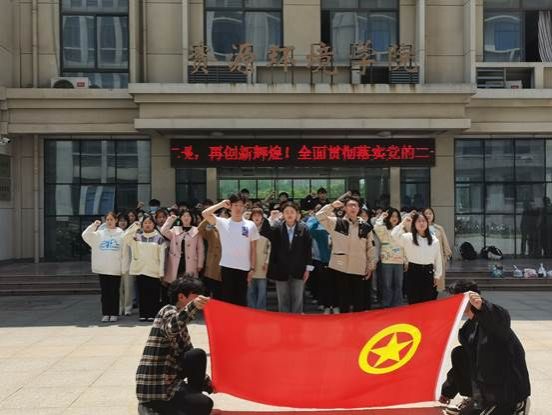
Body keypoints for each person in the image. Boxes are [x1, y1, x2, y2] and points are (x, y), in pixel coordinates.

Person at [440, 281, 530, 415]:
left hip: (507, 388)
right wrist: (446, 392)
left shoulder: (492, 320)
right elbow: (463, 365)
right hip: (487, 388)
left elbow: (502, 318)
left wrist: (482, 305)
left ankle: (517, 404)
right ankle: (475, 398)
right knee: (460, 354)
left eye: (454, 300)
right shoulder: (467, 329)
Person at [136, 277, 214, 415]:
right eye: (195, 296)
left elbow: (191, 359)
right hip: (155, 388)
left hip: (170, 382)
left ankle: (181, 402)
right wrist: (193, 306)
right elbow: (172, 326)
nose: (199, 299)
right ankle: (150, 407)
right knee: (204, 405)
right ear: (181, 297)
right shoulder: (167, 311)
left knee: (196, 355)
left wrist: (210, 384)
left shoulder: (182, 328)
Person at [316, 195, 378, 313]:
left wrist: (371, 265)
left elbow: (370, 247)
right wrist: (332, 206)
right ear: (344, 208)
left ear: (359, 208)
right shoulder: (336, 223)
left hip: (358, 267)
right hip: (340, 267)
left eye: (355, 205)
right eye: (350, 205)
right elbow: (319, 216)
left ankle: (357, 323)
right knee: (343, 301)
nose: (353, 208)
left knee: (358, 301)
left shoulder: (366, 227)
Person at [202, 193, 259, 306]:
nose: (238, 208)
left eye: (241, 205)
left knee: (241, 300)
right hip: (227, 267)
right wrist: (221, 204)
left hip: (244, 268)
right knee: (227, 299)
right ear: (230, 207)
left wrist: (252, 268)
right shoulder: (222, 222)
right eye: (235, 205)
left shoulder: (250, 225)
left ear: (244, 207)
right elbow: (205, 213)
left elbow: (253, 249)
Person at [260, 203, 313, 313]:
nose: (289, 214)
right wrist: (271, 219)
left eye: (292, 212)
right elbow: (264, 232)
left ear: (297, 214)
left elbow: (308, 250)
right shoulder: (277, 228)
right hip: (281, 269)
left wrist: (308, 269)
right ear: (283, 214)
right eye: (286, 212)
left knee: (297, 299)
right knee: (282, 299)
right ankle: (284, 321)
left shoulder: (304, 228)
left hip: (298, 269)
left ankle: (296, 321)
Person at [391, 211, 442, 304]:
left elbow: (438, 258)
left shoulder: (434, 240)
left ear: (427, 223)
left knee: (428, 302)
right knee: (414, 301)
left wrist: (437, 275)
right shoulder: (408, 237)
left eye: (424, 221)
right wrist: (403, 223)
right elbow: (394, 235)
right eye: (418, 221)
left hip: (428, 272)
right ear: (414, 223)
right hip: (413, 271)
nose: (421, 223)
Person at [82, 212, 124, 323]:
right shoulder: (100, 233)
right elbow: (85, 235)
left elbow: (125, 251)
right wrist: (94, 225)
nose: (109, 222)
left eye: (111, 219)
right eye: (107, 219)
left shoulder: (121, 233)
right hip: (103, 268)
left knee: (114, 292)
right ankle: (106, 313)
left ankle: (114, 313)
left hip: (115, 268)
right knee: (105, 292)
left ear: (116, 220)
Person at [124, 215, 167, 321]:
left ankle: (152, 314)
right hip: (140, 269)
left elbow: (162, 257)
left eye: (150, 223)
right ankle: (143, 314)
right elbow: (125, 237)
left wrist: (161, 272)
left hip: (154, 270)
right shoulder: (136, 237)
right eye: (145, 223)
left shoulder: (159, 238)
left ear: (154, 224)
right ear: (142, 225)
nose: (148, 225)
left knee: (153, 293)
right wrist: (135, 226)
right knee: (142, 293)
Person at [160, 210, 205, 284]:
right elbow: (163, 231)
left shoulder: (196, 231)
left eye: (188, 216)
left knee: (189, 283)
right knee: (175, 283)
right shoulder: (175, 230)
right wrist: (170, 220)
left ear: (191, 218)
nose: (186, 218)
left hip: (191, 262)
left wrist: (200, 264)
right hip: (176, 261)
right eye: (184, 216)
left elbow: (200, 249)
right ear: (180, 218)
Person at [374, 209, 406, 308]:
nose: (394, 218)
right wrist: (382, 217)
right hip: (386, 260)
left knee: (398, 284)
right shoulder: (384, 229)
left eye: (396, 216)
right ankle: (386, 304)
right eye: (392, 216)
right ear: (388, 218)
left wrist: (406, 261)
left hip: (399, 260)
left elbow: (405, 246)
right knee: (387, 284)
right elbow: (376, 227)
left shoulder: (402, 230)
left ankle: (398, 304)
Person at [306, 206, 334, 314]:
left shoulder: (337, 227)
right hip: (322, 260)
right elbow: (310, 230)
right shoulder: (320, 231)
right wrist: (318, 218)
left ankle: (335, 305)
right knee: (324, 283)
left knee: (335, 285)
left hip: (337, 261)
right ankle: (325, 304)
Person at [424, 207, 453, 295]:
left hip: (437, 258)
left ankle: (434, 296)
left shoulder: (439, 228)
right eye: (426, 213)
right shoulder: (419, 228)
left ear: (433, 215)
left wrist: (445, 257)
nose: (428, 215)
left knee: (437, 282)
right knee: (426, 281)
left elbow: (445, 243)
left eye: (430, 213)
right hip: (424, 259)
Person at [247, 208, 271, 310]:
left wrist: (267, 262)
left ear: (262, 218)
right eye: (254, 215)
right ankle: (251, 310)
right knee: (250, 290)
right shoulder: (247, 229)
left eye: (259, 216)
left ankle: (261, 311)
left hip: (262, 264)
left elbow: (270, 248)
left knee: (262, 291)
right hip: (249, 263)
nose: (257, 218)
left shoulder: (267, 230)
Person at [197, 218, 222, 299]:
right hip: (212, 265)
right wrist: (209, 218)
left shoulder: (230, 229)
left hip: (225, 266)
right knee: (209, 291)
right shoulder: (212, 228)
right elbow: (201, 229)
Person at [118, 213, 135, 316]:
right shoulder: (115, 233)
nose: (122, 222)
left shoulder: (131, 233)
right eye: (120, 220)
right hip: (117, 265)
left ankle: (128, 308)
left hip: (129, 265)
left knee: (128, 288)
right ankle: (120, 307)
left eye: (124, 220)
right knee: (119, 289)